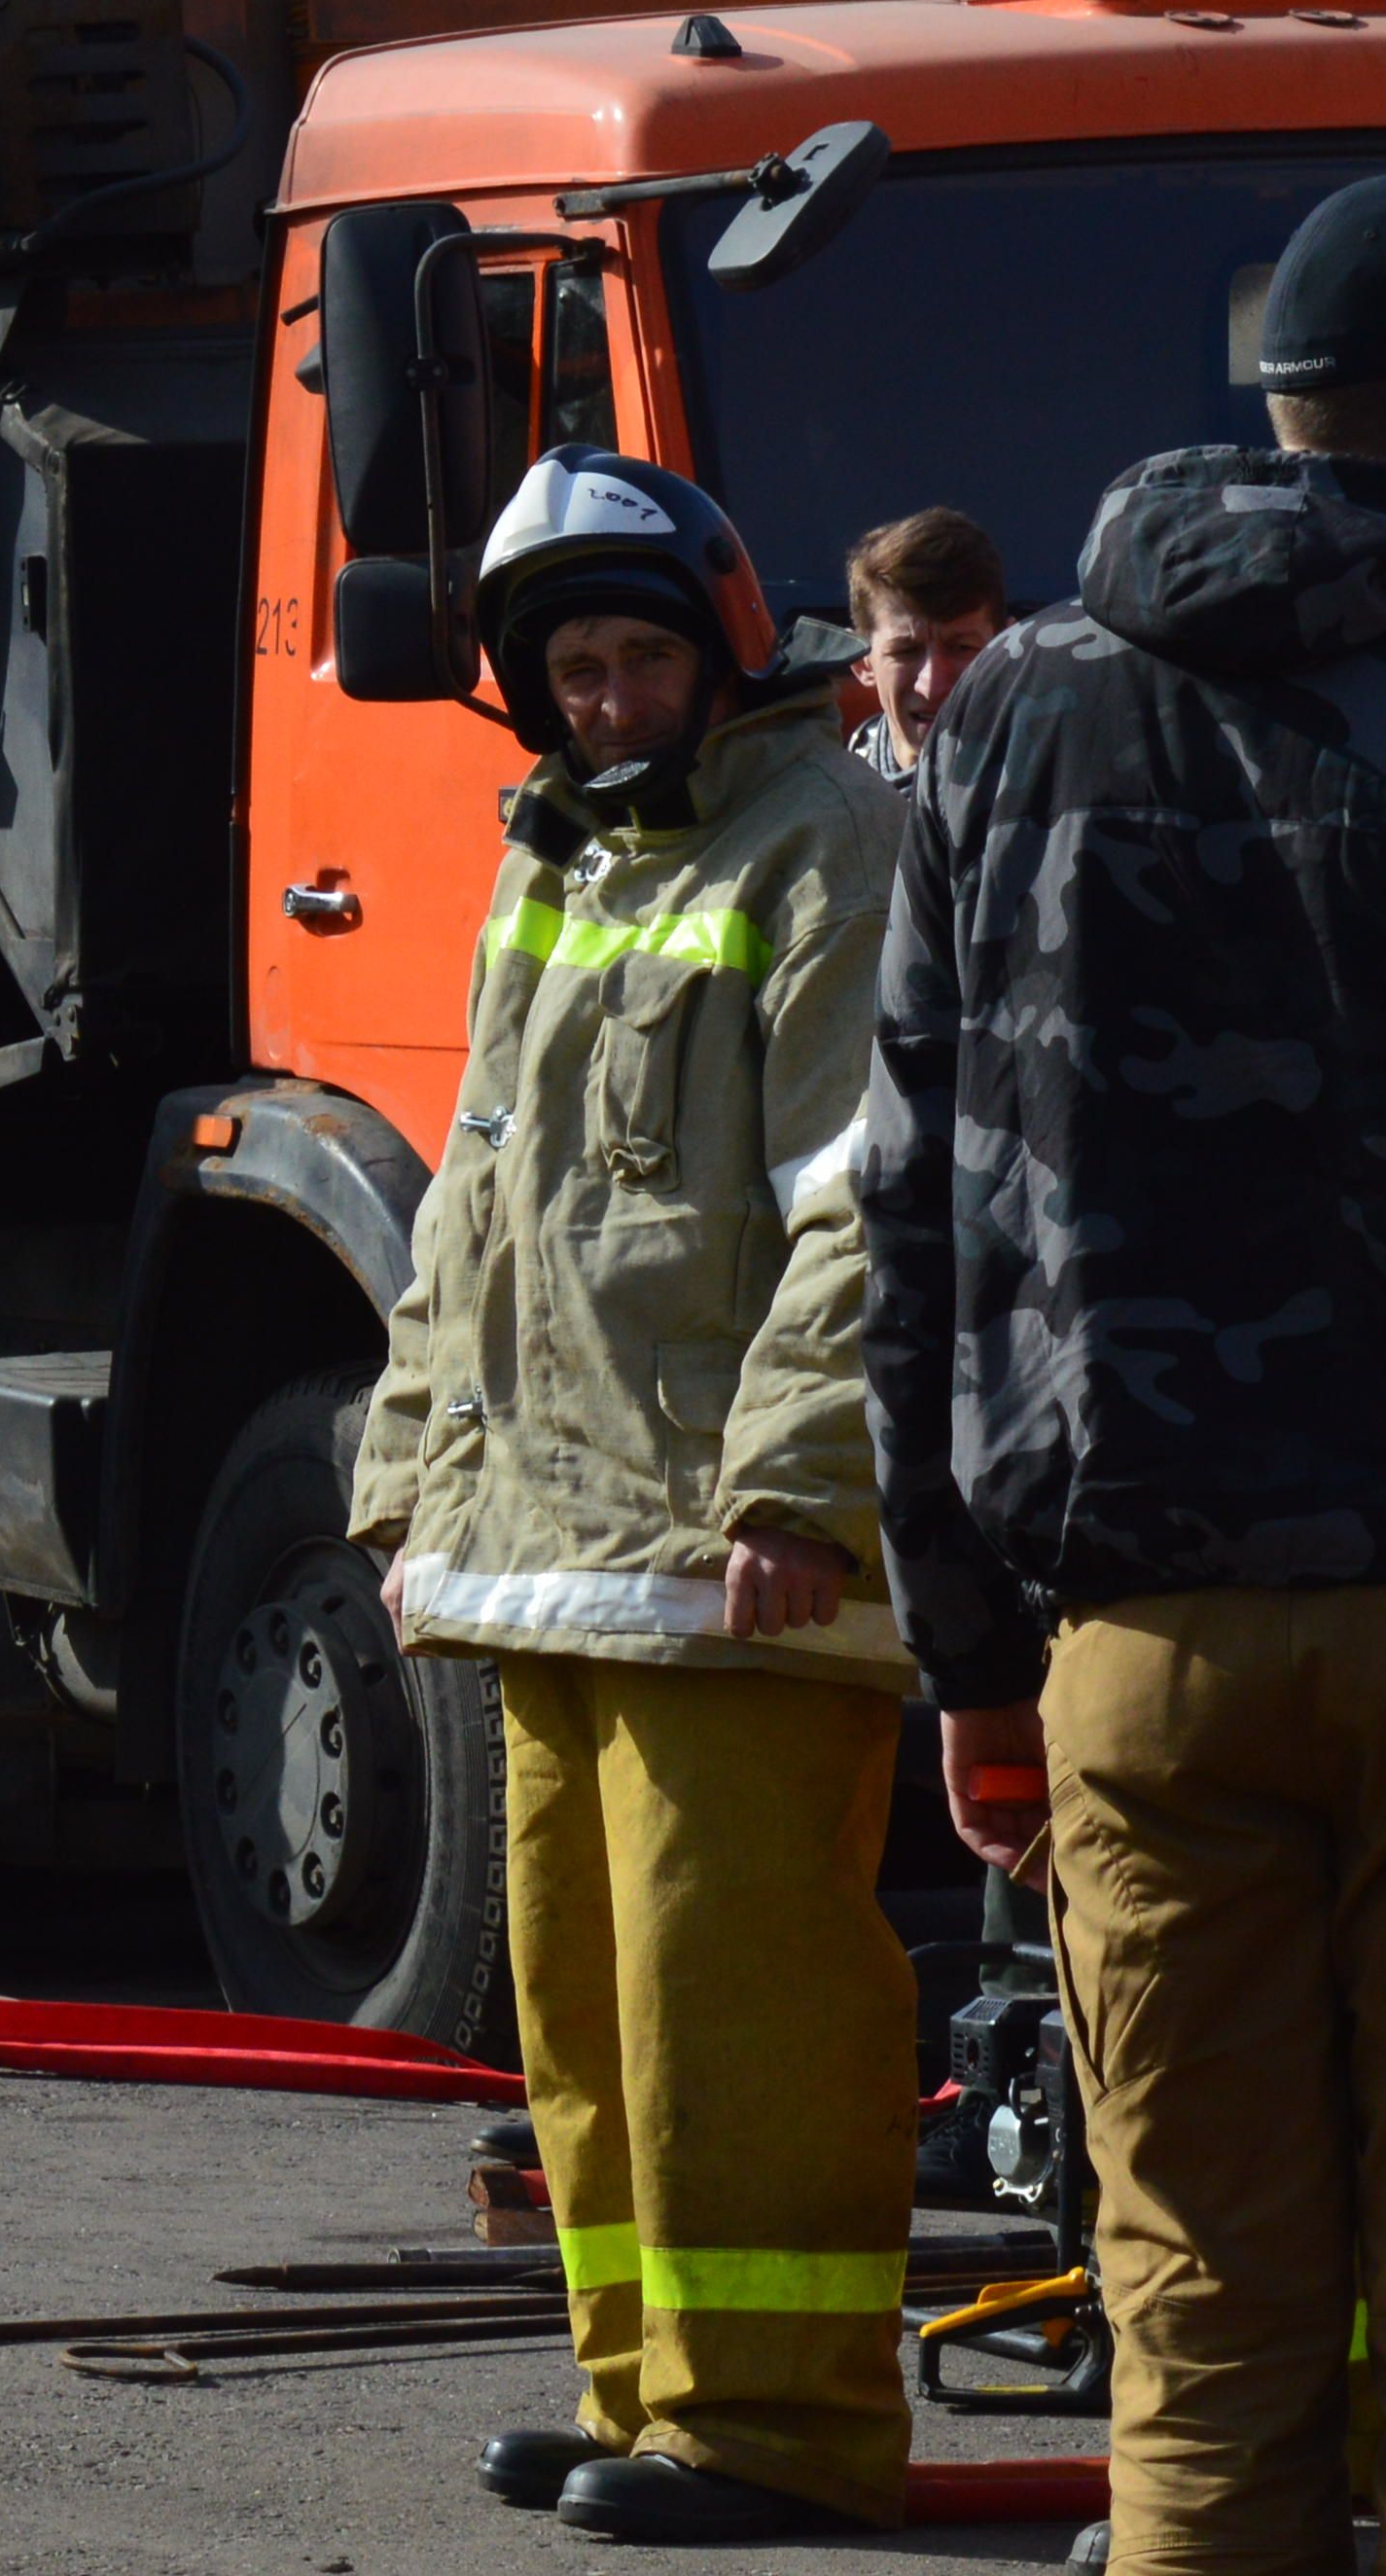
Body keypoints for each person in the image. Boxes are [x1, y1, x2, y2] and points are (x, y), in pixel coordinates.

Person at [869, 170, 1386, 2575]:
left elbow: (910, 1203)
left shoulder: (1017, 709)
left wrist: (967, 1649)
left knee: (1194, 2305)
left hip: (1141, 1636)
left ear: (1269, 393)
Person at [345, 453, 911, 2550]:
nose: (601, 695)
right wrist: (402, 1476)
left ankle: (775, 2422)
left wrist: (795, 1490)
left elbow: (855, 1215)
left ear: (722, 645)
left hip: (721, 1555)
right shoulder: (547, 862)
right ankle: (645, 2391)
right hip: (539, 1549)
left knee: (729, 2008)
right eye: (568, 665)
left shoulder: (823, 839)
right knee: (581, 2010)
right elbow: (473, 1204)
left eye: (636, 653)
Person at [842, 506, 1010, 784]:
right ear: (862, 662)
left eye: (962, 648)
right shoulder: (824, 801)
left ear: (1007, 649)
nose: (932, 685)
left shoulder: (1051, 793)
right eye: (905, 651)